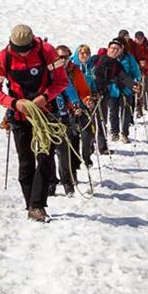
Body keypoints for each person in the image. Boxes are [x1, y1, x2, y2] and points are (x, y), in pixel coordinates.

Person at [0, 24, 68, 221]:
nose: (22, 53)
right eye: (18, 50)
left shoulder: (47, 51)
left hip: (45, 114)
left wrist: (44, 98)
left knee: (45, 159)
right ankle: (30, 203)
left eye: (26, 49)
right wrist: (14, 103)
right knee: (26, 162)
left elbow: (61, 81)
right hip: (19, 116)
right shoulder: (3, 57)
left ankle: (37, 205)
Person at [53, 44, 95, 194]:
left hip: (71, 113)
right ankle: (53, 182)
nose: (63, 60)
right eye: (60, 57)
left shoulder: (74, 71)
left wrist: (84, 101)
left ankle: (69, 179)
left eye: (66, 57)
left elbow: (80, 90)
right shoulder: (49, 71)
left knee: (67, 148)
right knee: (52, 151)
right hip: (51, 113)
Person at [89, 39, 136, 146]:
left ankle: (102, 146)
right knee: (91, 121)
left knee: (102, 120)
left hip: (103, 94)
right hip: (90, 93)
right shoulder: (97, 59)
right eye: (112, 48)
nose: (114, 51)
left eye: (117, 49)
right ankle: (90, 146)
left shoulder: (116, 65)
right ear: (108, 48)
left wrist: (133, 85)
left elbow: (123, 77)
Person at [127, 30, 148, 114]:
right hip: (136, 72)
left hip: (147, 72)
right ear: (135, 38)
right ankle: (138, 108)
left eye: (141, 38)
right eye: (138, 39)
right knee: (138, 90)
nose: (139, 40)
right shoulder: (132, 46)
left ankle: (147, 106)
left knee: (146, 89)